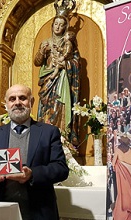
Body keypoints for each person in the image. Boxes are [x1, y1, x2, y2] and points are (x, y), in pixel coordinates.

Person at [0, 84, 69, 220]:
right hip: (0, 216)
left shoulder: (49, 132)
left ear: (31, 102)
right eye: (12, 99)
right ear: (6, 104)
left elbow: (61, 169)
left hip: (37, 219)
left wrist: (32, 174)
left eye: (23, 98)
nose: (17, 102)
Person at [34, 14, 80, 144]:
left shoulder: (69, 43)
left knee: (60, 105)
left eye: (61, 24)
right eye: (56, 24)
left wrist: (66, 64)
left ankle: (63, 137)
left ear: (65, 27)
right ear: (52, 25)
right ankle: (44, 138)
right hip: (48, 79)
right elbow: (37, 62)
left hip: (63, 79)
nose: (58, 27)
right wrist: (42, 52)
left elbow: (77, 64)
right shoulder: (45, 42)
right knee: (46, 107)